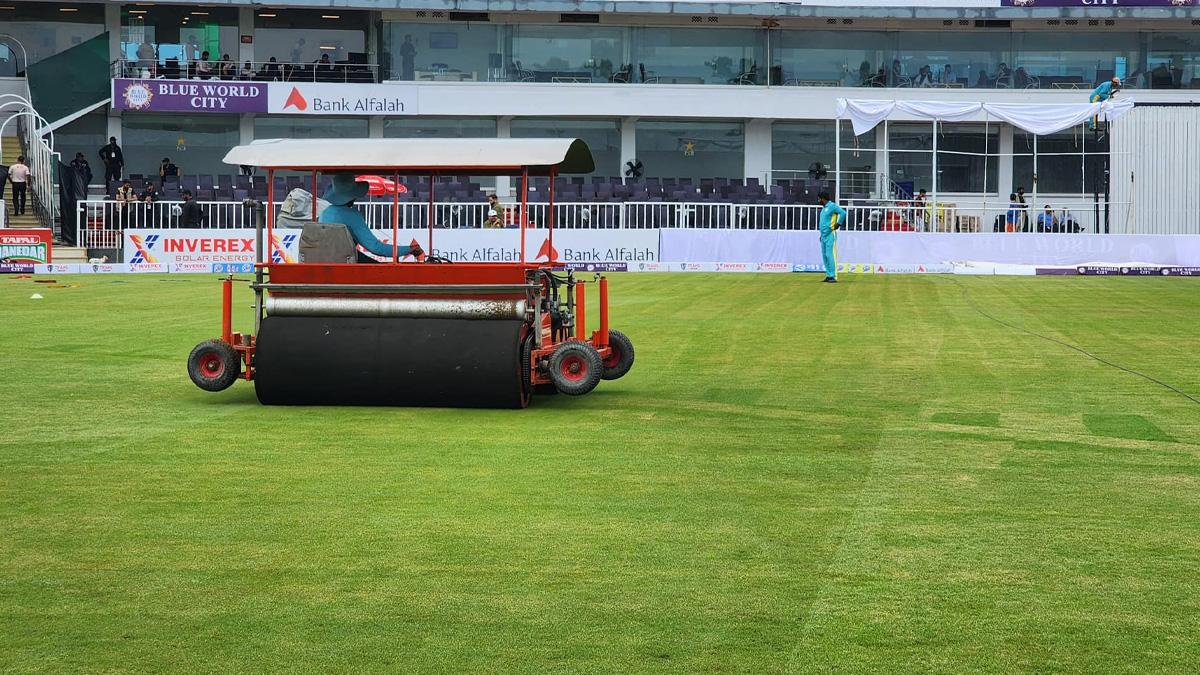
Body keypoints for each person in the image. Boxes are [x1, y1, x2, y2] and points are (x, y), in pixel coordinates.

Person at [319, 173, 422, 262]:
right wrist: (409, 249)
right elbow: (375, 248)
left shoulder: (324, 213)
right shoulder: (353, 216)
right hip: (346, 260)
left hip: (325, 259)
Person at [816, 191, 847, 283]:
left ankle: (833, 276)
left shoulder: (832, 206)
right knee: (825, 256)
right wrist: (821, 235)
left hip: (830, 234)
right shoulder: (824, 208)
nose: (818, 201)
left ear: (823, 199)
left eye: (819, 199)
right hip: (824, 235)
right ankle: (829, 275)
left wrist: (838, 223)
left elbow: (843, 213)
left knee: (830, 255)